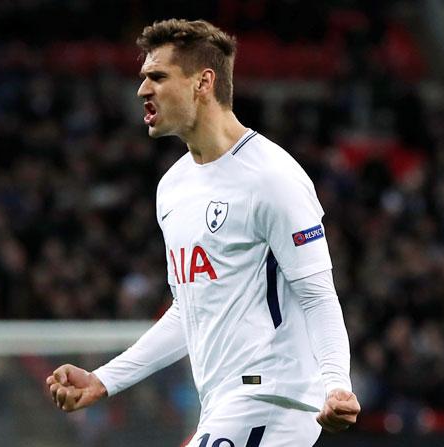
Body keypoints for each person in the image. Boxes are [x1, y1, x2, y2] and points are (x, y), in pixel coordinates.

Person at [46, 18, 360, 446]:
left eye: (157, 76)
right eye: (143, 78)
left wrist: (335, 384)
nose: (142, 90)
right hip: (223, 403)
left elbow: (317, 293)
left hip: (273, 400)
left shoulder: (272, 177)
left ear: (203, 82)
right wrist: (104, 380)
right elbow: (188, 310)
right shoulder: (173, 187)